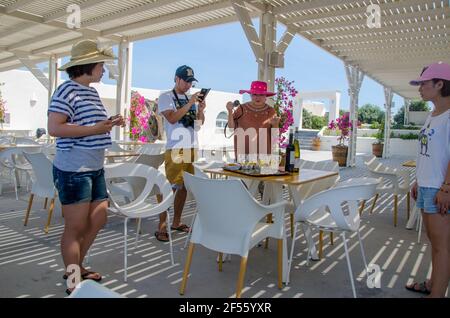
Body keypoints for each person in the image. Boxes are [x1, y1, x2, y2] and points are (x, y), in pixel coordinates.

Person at [47, 40, 125, 295]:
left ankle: (77, 266)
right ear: (87, 66)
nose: (104, 70)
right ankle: (73, 280)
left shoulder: (90, 91)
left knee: (99, 217)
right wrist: (95, 128)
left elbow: (86, 124)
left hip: (94, 167)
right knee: (75, 227)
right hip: (73, 170)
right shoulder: (66, 90)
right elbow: (55, 128)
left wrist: (108, 123)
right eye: (101, 65)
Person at [405, 62, 450, 298]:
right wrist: (417, 180)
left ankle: (438, 294)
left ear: (440, 84)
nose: (420, 88)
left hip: (440, 188)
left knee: (443, 246)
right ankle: (433, 283)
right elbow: (428, 153)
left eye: (424, 83)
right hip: (426, 185)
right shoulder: (433, 115)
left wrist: (447, 188)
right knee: (434, 241)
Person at [156, 65, 206, 242]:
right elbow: (171, 118)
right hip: (176, 148)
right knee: (170, 187)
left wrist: (200, 110)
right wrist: (191, 103)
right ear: (176, 79)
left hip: (191, 147)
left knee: (184, 187)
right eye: (186, 81)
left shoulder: (188, 98)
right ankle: (161, 225)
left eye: (191, 82)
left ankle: (176, 222)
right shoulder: (166, 97)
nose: (189, 85)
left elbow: (198, 125)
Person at [226, 80, 280, 159]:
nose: (257, 97)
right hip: (243, 153)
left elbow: (275, 135)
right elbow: (231, 128)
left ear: (266, 96)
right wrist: (230, 111)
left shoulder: (271, 111)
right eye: (254, 94)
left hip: (263, 155)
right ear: (251, 95)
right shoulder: (241, 108)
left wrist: (275, 124)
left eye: (261, 95)